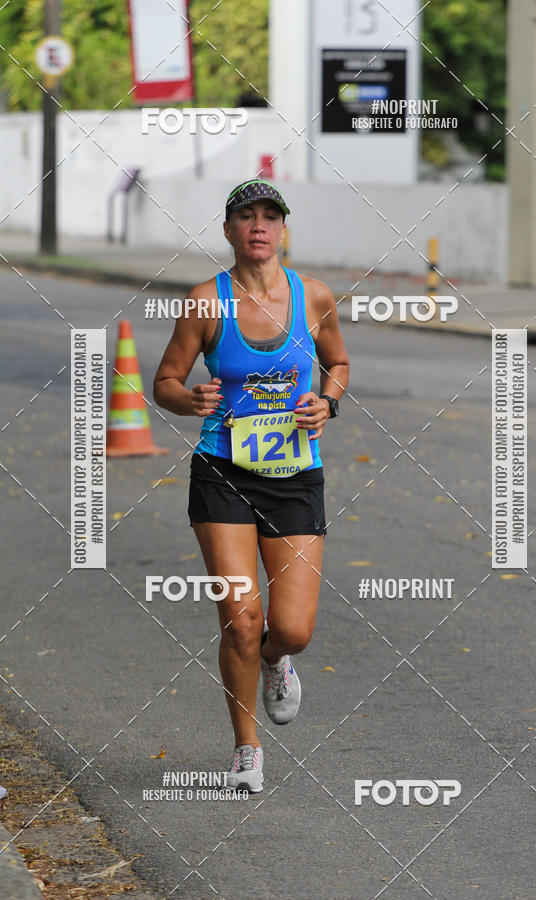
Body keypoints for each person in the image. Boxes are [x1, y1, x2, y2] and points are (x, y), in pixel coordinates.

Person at [153, 179, 349, 793]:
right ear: (230, 229)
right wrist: (189, 401)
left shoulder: (313, 297)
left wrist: (328, 402)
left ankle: (276, 660)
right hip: (223, 473)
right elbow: (164, 380)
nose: (258, 226)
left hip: (295, 477)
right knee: (240, 619)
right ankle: (246, 748)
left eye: (270, 216)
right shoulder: (206, 303)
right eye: (246, 216)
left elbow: (338, 364)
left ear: (283, 229)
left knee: (291, 629)